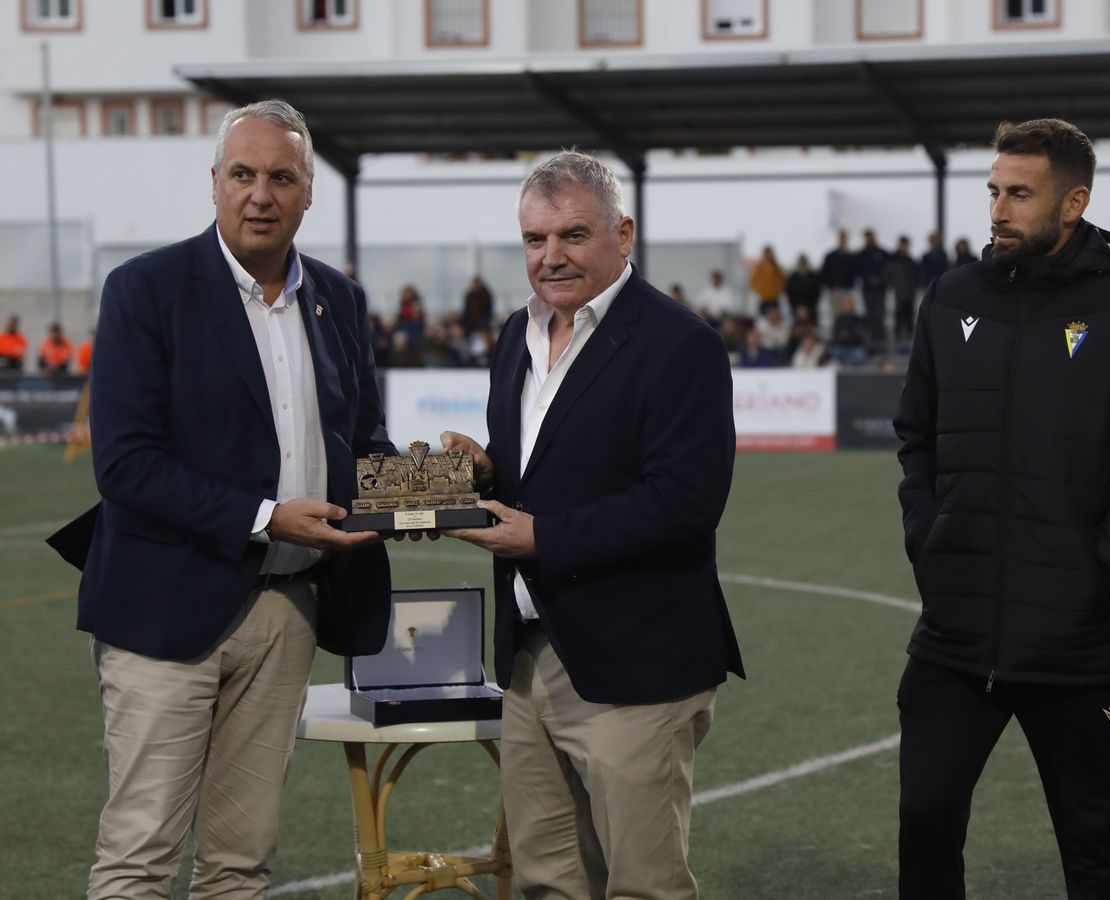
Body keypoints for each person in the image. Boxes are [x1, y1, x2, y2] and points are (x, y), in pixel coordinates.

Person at [77, 99, 394, 899]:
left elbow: (362, 448)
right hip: (163, 610)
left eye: (281, 177)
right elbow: (125, 465)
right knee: (141, 856)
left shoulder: (340, 301)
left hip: (288, 611)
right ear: (214, 184)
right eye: (243, 174)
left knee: (241, 863)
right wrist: (263, 518)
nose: (261, 194)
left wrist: (438, 487)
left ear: (308, 193)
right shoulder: (145, 290)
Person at [894, 117, 1110, 899]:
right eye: (994, 190)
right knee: (926, 826)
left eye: (1019, 194)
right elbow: (916, 439)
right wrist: (929, 540)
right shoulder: (952, 296)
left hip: (1079, 641)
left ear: (1073, 204)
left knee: (1096, 853)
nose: (998, 208)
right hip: (955, 636)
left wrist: (1100, 571)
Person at [439, 150, 742, 900]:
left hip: (634, 662)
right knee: (547, 882)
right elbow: (542, 477)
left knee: (642, 886)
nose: (552, 257)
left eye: (574, 235)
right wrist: (486, 475)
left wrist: (542, 537)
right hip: (525, 656)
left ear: (624, 233)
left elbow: (685, 501)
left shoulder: (681, 343)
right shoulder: (516, 335)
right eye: (535, 240)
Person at [856, 228, 889, 354]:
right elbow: (858, 271)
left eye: (872, 236)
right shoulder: (861, 254)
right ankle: (871, 346)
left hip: (880, 290)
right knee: (870, 316)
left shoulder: (882, 253)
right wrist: (868, 278)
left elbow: (887, 269)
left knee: (880, 316)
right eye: (868, 237)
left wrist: (880, 280)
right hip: (867, 290)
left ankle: (881, 346)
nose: (870, 239)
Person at [885, 235, 921, 348]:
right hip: (896, 295)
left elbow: (917, 278)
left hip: (909, 296)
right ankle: (897, 346)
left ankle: (909, 347)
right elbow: (888, 277)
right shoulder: (892, 260)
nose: (904, 247)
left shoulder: (911, 261)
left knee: (909, 320)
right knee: (897, 321)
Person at [821, 228, 858, 317]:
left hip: (848, 291)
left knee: (849, 315)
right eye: (841, 238)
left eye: (844, 238)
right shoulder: (830, 256)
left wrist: (851, 287)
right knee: (836, 316)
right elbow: (825, 273)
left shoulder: (851, 256)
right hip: (835, 291)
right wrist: (830, 287)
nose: (842, 240)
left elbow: (855, 273)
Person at [827, 295, 870, 367]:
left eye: (848, 305)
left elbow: (859, 335)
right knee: (834, 352)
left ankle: (857, 376)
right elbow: (836, 335)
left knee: (859, 355)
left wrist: (848, 335)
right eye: (845, 305)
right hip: (841, 346)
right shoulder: (838, 320)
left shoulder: (857, 319)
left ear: (852, 306)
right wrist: (845, 336)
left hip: (854, 346)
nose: (846, 307)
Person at [749, 244, 786, 315]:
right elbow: (752, 281)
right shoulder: (760, 267)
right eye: (767, 253)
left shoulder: (776, 267)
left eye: (770, 253)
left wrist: (778, 291)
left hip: (774, 298)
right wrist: (760, 290)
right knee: (763, 318)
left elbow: (783, 280)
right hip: (764, 298)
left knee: (775, 317)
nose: (769, 255)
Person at [785, 253, 822, 324]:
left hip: (811, 308)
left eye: (804, 263)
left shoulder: (813, 277)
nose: (802, 266)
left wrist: (808, 308)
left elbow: (817, 293)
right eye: (800, 263)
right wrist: (797, 307)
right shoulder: (793, 278)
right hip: (796, 309)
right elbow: (790, 293)